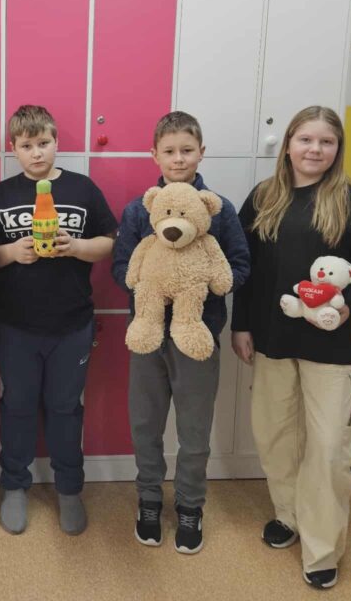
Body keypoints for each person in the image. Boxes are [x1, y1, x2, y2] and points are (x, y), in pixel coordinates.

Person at [230, 105, 351, 591]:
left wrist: (346, 306)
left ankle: (321, 549)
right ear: (288, 145)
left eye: (326, 142)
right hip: (272, 338)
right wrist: (241, 325)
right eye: (306, 140)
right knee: (275, 435)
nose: (315, 149)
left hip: (330, 344)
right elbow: (245, 267)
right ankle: (288, 515)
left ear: (337, 149)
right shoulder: (264, 198)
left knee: (327, 447)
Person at [112, 110, 250, 554]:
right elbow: (121, 266)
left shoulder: (218, 209)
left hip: (198, 335)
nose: (178, 159)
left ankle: (190, 505)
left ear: (201, 153)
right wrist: (152, 282)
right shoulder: (140, 209)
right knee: (145, 424)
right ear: (154, 154)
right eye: (169, 151)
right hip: (147, 333)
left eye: (186, 150)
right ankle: (149, 500)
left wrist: (201, 282)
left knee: (194, 430)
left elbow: (240, 265)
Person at [0, 105, 117, 536]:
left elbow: (110, 242)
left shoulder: (82, 188)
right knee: (17, 406)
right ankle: (14, 485)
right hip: (15, 324)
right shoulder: (0, 195)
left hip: (71, 324)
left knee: (65, 408)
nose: (36, 152)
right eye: (27, 145)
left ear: (57, 142)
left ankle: (69, 488)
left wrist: (76, 247)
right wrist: (10, 253)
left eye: (44, 143)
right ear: (13, 148)